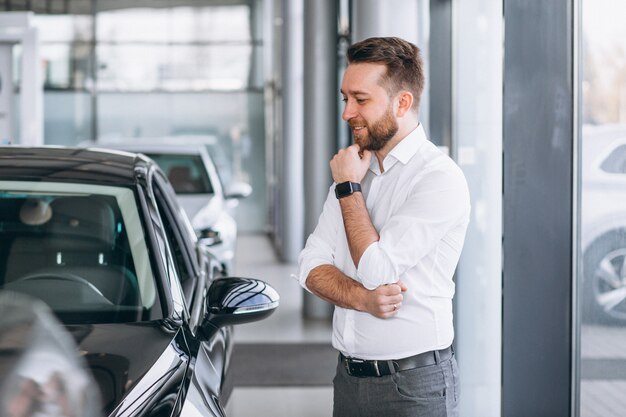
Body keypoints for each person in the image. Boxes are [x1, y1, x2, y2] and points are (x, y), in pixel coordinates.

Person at [297, 36, 470, 417]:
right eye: (345, 99)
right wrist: (360, 299)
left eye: (360, 100)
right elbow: (308, 267)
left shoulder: (437, 178)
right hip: (348, 380)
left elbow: (377, 271)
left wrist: (347, 188)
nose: (347, 113)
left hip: (413, 388)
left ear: (402, 103)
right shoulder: (356, 172)